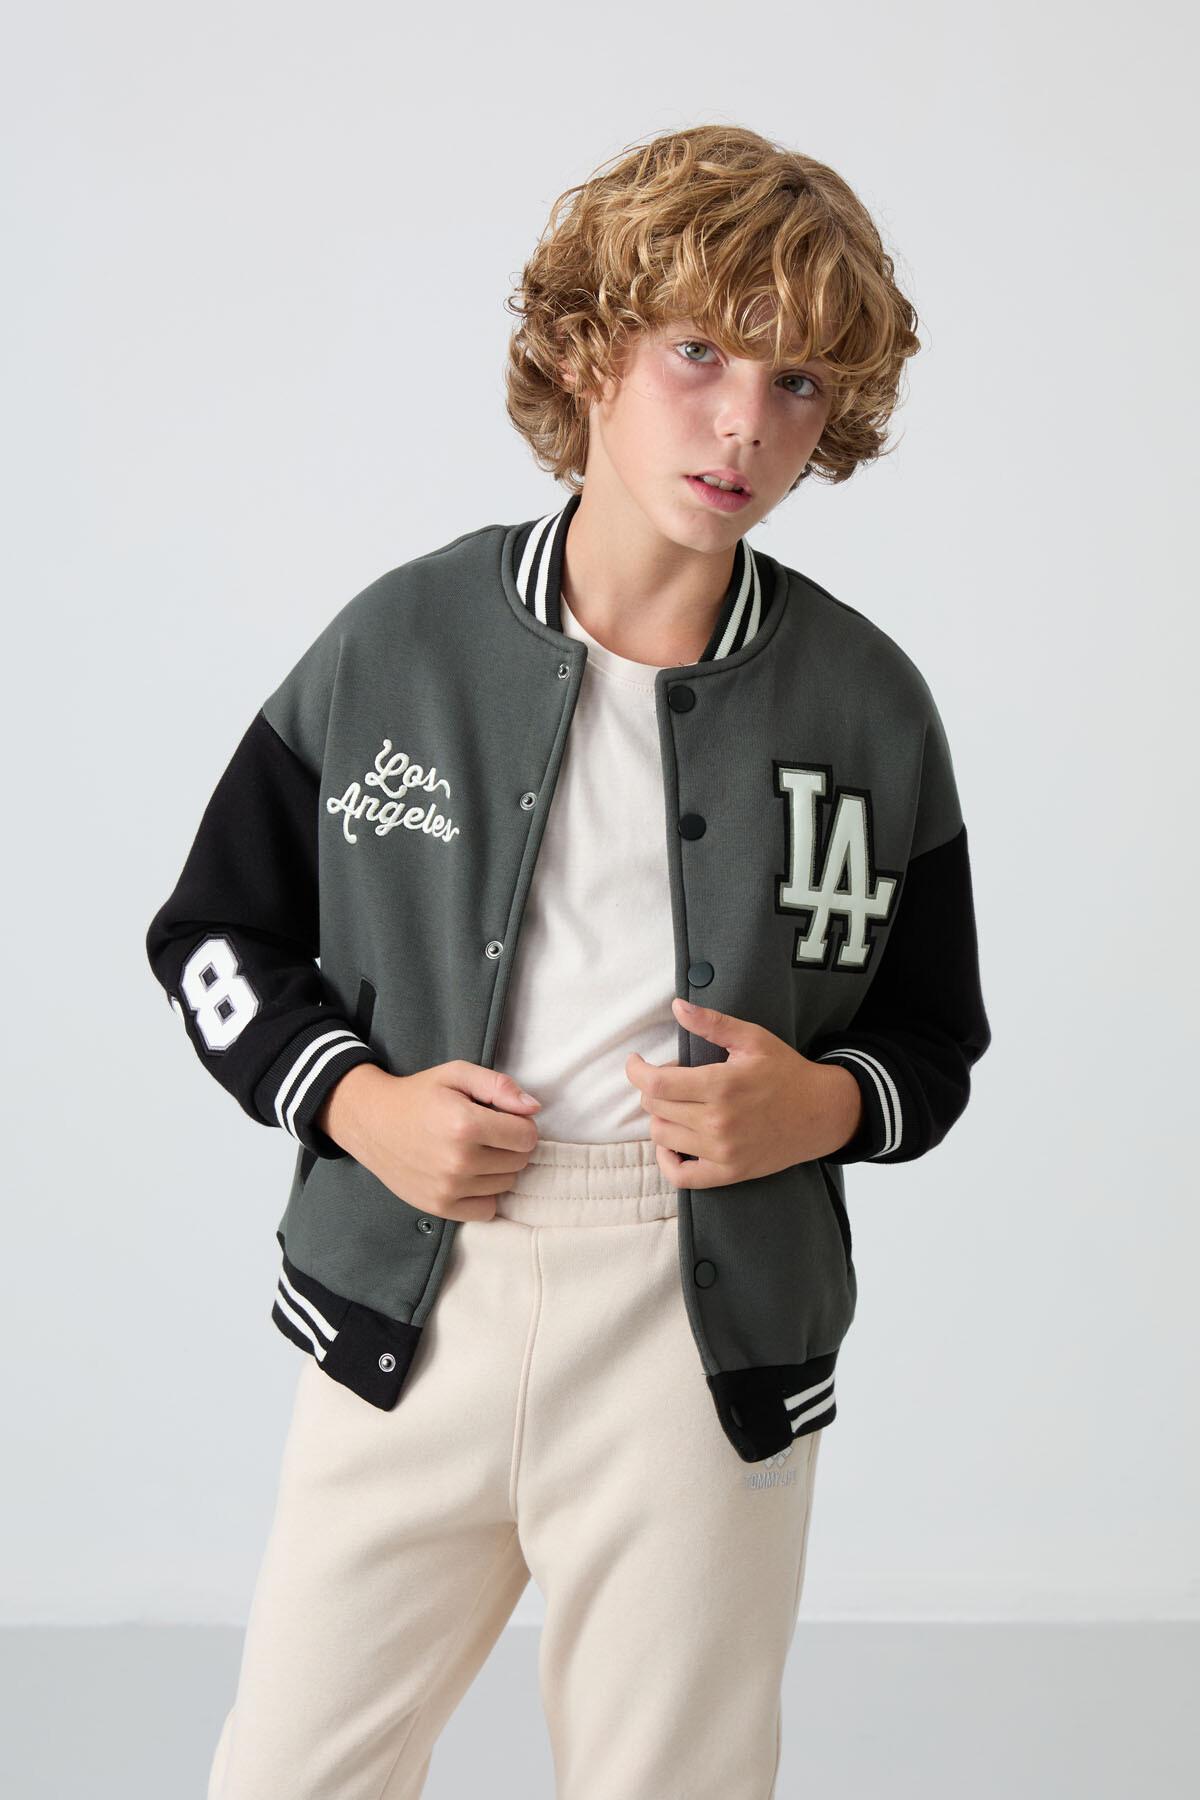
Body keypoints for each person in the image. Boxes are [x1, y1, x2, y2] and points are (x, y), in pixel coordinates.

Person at [146, 123, 990, 1800]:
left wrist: (818, 1109)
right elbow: (211, 937)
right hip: (412, 1295)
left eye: (800, 383)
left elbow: (934, 1042)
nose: (746, 423)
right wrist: (359, 1106)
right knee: (290, 1771)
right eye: (700, 353)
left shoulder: (869, 706)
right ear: (593, 348)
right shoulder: (400, 641)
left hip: (703, 1325)